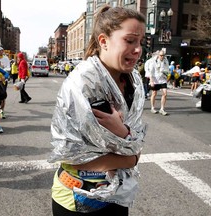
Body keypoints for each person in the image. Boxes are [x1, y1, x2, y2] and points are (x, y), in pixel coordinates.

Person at [48, 6, 147, 215]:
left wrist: (123, 134)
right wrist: (130, 156)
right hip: (77, 197)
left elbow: (136, 140)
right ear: (104, 41)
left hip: (117, 195)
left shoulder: (134, 81)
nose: (138, 49)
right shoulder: (82, 83)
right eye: (130, 41)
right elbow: (73, 155)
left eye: (140, 42)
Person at [149, 50, 170, 116]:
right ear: (158, 55)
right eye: (161, 55)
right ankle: (152, 107)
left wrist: (167, 76)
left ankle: (162, 109)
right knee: (154, 93)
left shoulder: (165, 61)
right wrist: (151, 81)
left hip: (163, 79)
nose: (162, 56)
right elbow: (151, 72)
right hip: (155, 79)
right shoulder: (154, 62)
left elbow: (167, 70)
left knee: (165, 93)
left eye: (163, 55)